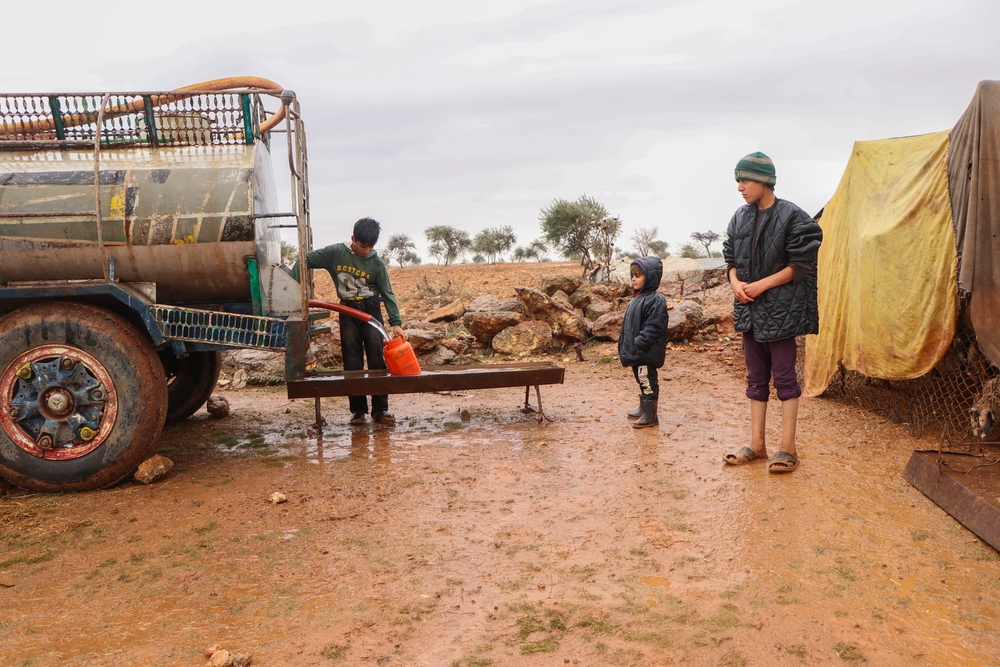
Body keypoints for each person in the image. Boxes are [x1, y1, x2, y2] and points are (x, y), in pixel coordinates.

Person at [722, 152, 823, 473]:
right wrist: (735, 282)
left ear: (765, 181)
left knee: (785, 379)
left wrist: (761, 285)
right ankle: (757, 444)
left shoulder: (793, 216)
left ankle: (788, 448)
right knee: (754, 378)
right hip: (750, 311)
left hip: (782, 312)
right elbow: (730, 259)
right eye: (738, 180)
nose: (740, 187)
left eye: (745, 180)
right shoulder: (739, 217)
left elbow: (801, 265)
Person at [298, 217, 406, 425]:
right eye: (362, 246)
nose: (366, 250)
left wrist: (396, 322)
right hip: (347, 309)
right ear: (353, 239)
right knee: (352, 359)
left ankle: (380, 410)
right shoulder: (335, 253)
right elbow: (306, 260)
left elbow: (388, 293)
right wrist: (294, 288)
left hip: (371, 310)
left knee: (376, 357)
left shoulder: (376, 262)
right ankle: (358, 410)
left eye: (370, 247)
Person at [618, 256, 669, 429]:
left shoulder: (655, 300)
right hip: (637, 351)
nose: (633, 279)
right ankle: (643, 408)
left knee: (647, 381)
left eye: (638, 275)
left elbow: (653, 328)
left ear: (650, 277)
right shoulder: (637, 298)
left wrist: (639, 344)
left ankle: (650, 415)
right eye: (632, 275)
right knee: (641, 379)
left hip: (644, 352)